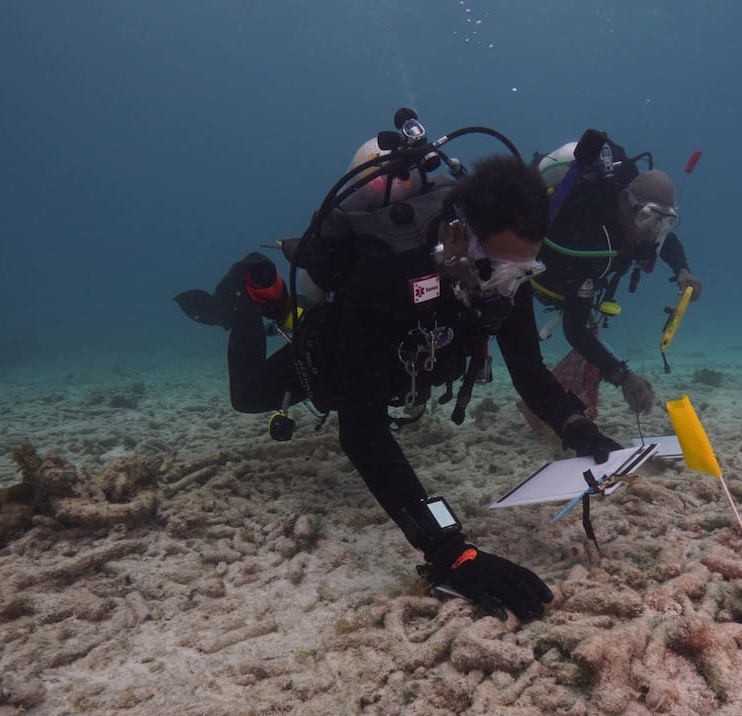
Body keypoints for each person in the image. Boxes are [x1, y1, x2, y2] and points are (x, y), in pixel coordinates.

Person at [175, 112, 623, 623]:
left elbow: (527, 369)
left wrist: (577, 427)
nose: (507, 286)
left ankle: (273, 303)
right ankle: (258, 295)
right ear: (458, 237)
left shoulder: (504, 278)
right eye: (497, 269)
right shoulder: (387, 273)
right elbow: (362, 433)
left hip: (412, 362)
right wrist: (451, 549)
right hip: (341, 353)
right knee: (249, 396)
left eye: (524, 272)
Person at [531, 130, 705, 418]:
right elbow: (574, 328)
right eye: (647, 217)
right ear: (625, 202)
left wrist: (682, 271)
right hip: (548, 276)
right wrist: (623, 377)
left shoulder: (649, 231)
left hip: (582, 280)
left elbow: (666, 242)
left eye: (664, 221)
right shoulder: (587, 237)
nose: (653, 230)